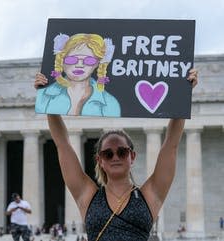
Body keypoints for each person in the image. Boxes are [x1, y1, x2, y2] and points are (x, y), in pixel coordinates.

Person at [34, 69, 198, 241]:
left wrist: (183, 93)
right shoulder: (88, 196)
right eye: (108, 154)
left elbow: (170, 145)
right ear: (100, 160)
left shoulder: (150, 195)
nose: (115, 157)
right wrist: (48, 101)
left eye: (122, 151)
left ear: (132, 156)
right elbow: (63, 145)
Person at [35, 33, 121, 117]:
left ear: (96, 64)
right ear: (61, 61)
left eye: (89, 60)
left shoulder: (110, 103)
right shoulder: (44, 96)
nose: (79, 65)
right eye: (71, 59)